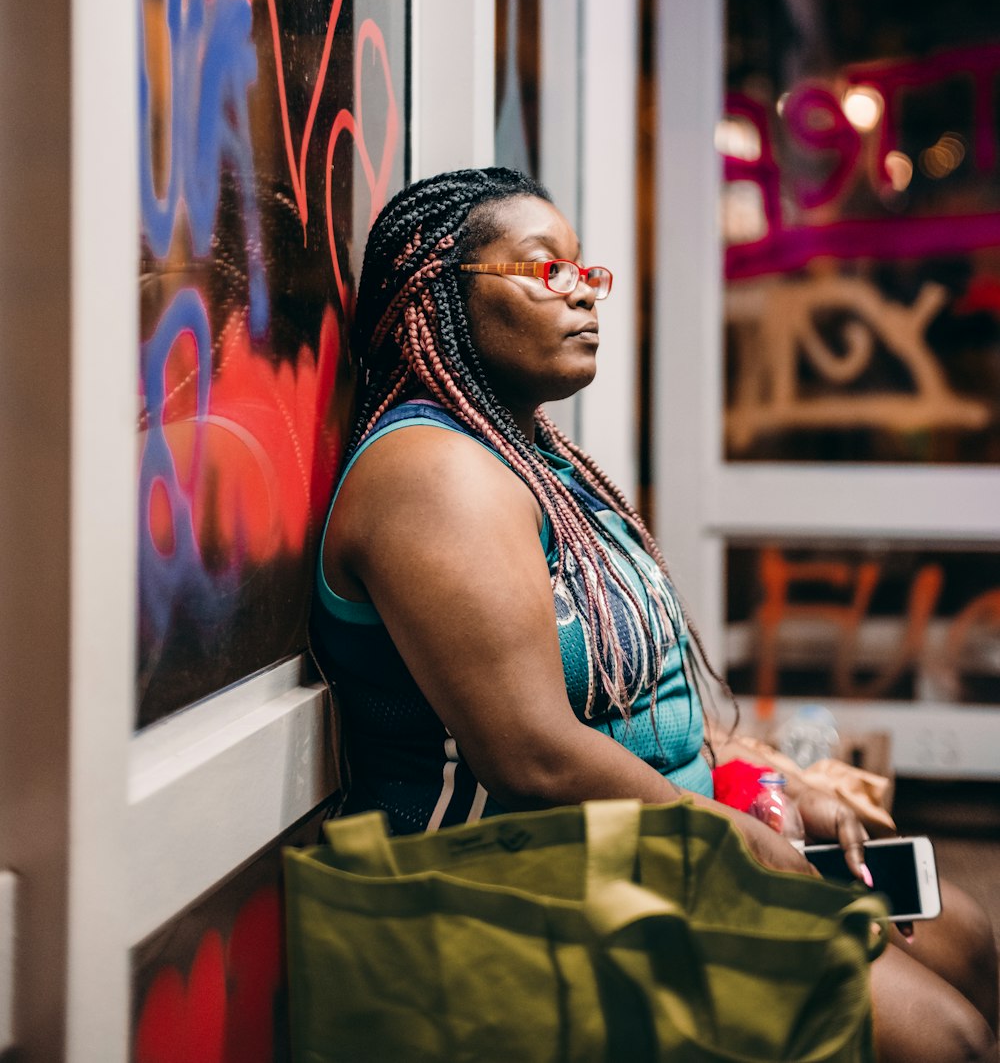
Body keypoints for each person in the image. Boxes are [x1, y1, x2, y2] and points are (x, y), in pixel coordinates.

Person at [313, 166, 998, 1063]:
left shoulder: (535, 461)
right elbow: (531, 756)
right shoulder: (433, 476)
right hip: (506, 884)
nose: (585, 295)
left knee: (967, 936)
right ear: (431, 296)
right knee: (943, 1038)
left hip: (646, 839)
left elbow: (646, 695)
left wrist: (764, 784)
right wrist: (738, 844)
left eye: (586, 272)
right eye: (544, 270)